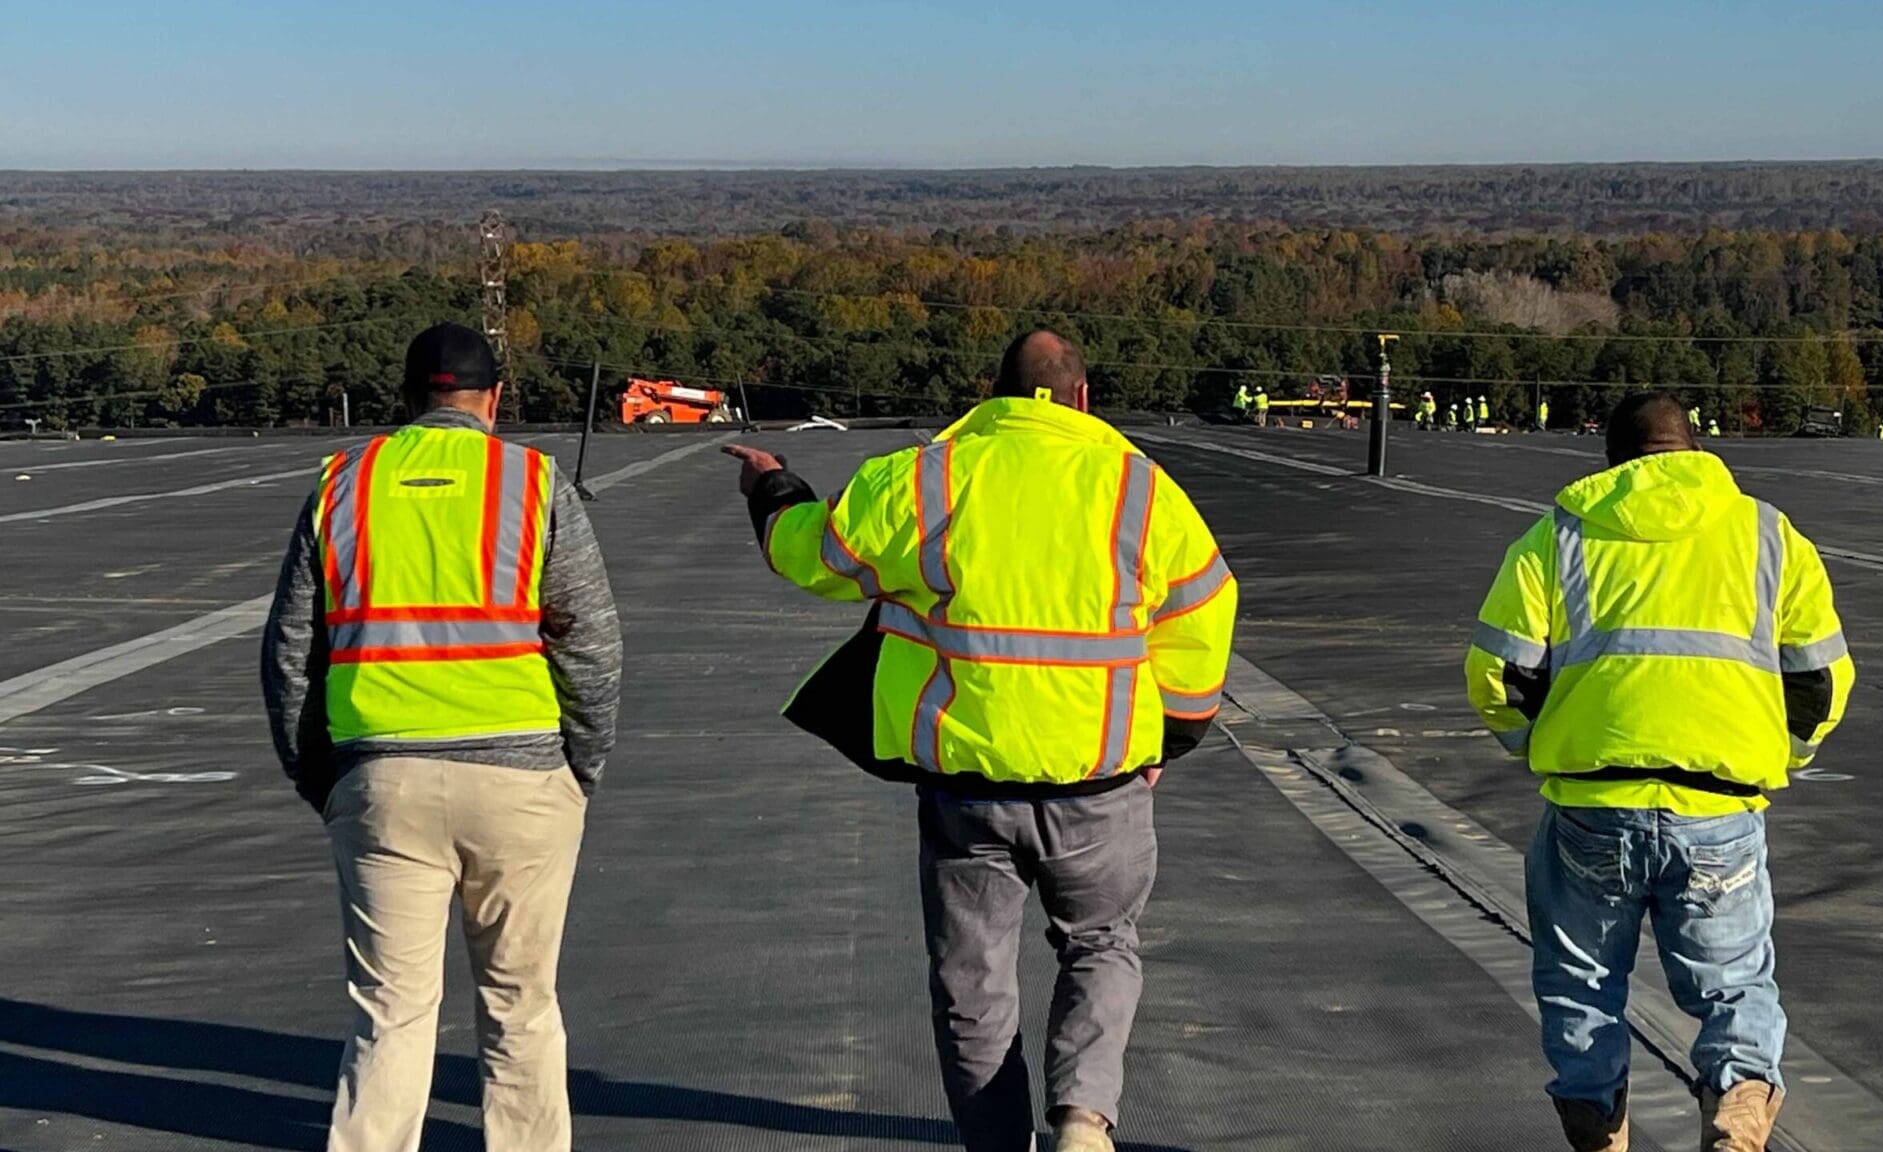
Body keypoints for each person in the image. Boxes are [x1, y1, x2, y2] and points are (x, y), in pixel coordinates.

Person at [726, 330, 1237, 1152]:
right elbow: (1204, 609)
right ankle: (1083, 1118)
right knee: (1102, 945)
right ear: (1082, 398)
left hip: (969, 789)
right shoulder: (1142, 491)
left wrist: (772, 488)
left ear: (990, 396)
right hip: (1102, 785)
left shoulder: (928, 479)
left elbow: (815, 556)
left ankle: (999, 1144)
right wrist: (1168, 739)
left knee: (972, 982)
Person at [261, 323, 623, 1152]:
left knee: (388, 1012)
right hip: (523, 778)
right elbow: (592, 645)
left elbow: (289, 654)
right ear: (494, 399)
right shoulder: (531, 482)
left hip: (381, 777)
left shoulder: (343, 484)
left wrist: (320, 778)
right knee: (521, 1005)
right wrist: (580, 770)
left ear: (407, 398)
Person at [1465, 392, 1854, 1152]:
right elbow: (1820, 679)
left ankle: (1597, 1130)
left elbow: (1497, 673)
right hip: (1718, 812)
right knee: (1733, 983)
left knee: (1580, 985)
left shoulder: (1560, 536)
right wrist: (1782, 756)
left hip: (1591, 809)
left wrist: (1538, 744)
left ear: (1610, 460)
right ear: (1697, 448)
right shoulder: (1768, 536)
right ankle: (1739, 1105)